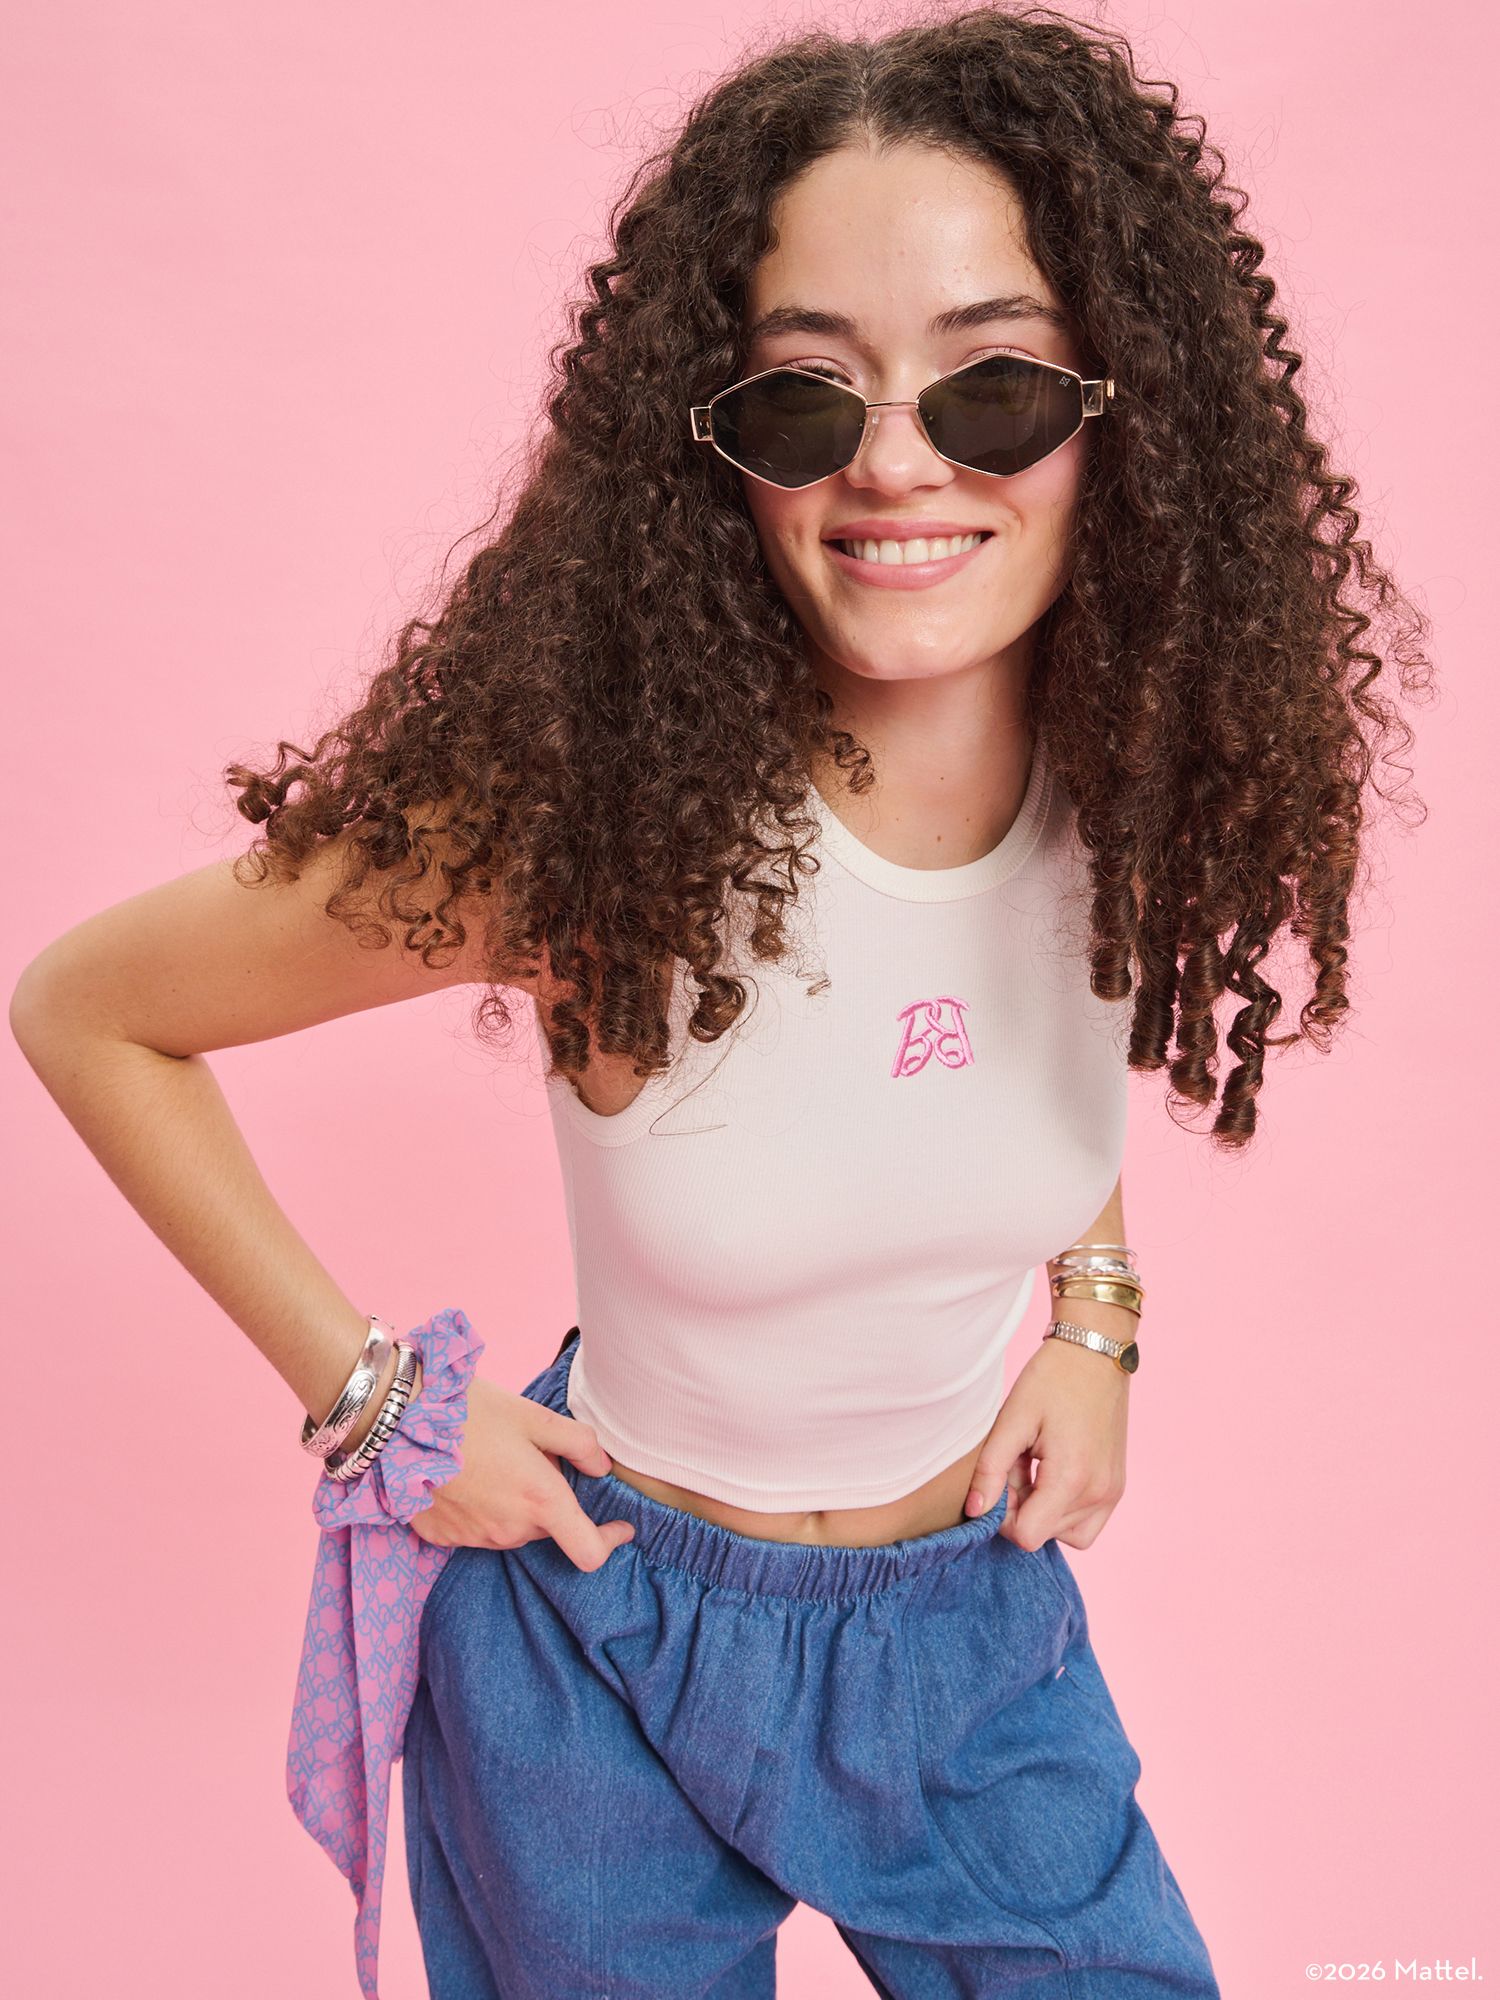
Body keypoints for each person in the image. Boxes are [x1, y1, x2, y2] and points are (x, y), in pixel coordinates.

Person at [10, 7, 1431, 1998]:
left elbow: (997, 1068)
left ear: (1128, 414)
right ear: (715, 448)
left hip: (970, 1635)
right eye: (802, 400)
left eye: (996, 385)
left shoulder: (1134, 771)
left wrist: (1096, 1314)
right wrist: (379, 1405)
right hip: (598, 1629)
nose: (899, 461)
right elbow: (90, 1008)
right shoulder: (602, 828)